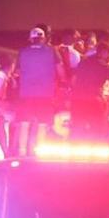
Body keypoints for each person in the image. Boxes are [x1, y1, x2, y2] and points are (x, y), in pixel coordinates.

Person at [11, 27, 66, 155]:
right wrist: (64, 83)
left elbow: (17, 72)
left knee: (24, 121)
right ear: (44, 38)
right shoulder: (52, 51)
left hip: (25, 94)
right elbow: (60, 69)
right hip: (45, 94)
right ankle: (39, 152)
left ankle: (22, 152)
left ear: (31, 39)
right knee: (42, 122)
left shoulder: (23, 52)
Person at [69, 42, 109, 140]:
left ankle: (76, 151)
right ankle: (94, 151)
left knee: (77, 129)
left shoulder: (83, 62)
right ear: (105, 53)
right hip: (94, 101)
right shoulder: (105, 66)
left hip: (77, 99)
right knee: (97, 129)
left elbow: (73, 79)